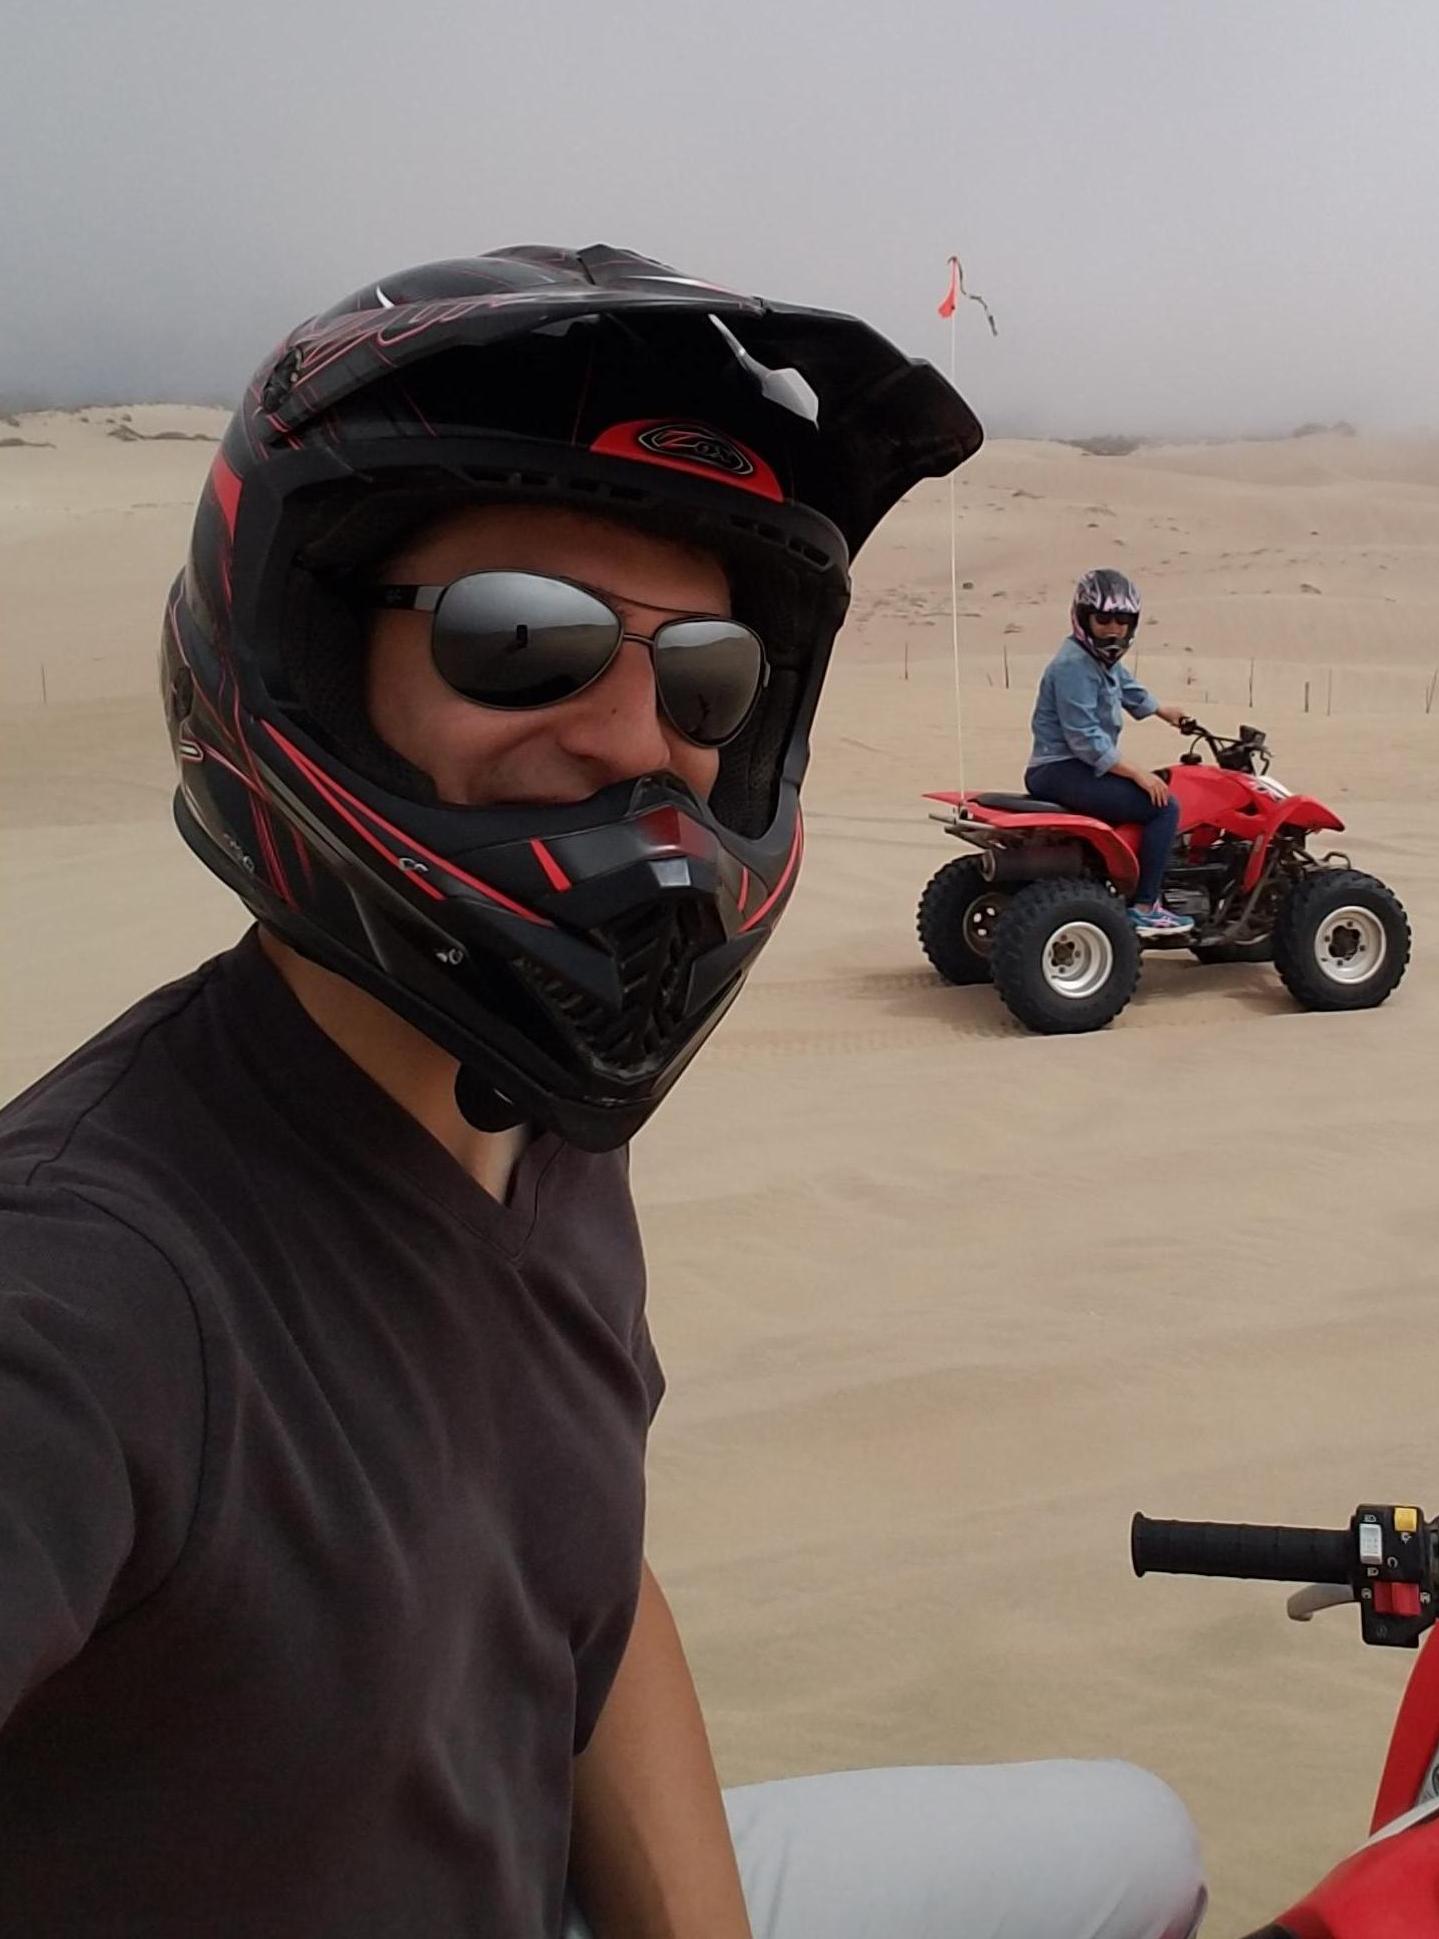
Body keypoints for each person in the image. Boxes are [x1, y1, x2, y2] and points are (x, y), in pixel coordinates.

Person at [0, 246, 1207, 1939]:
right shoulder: (89, 1278)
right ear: (307, 657)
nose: (639, 735)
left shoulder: (543, 1121)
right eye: (522, 635)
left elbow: (582, 1577)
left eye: (706, 669)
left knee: (1142, 1839)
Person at [1024, 570, 1194, 936]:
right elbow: (1084, 738)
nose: (1113, 629)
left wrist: (1163, 711)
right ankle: (1147, 905)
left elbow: (1126, 687)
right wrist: (1136, 773)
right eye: (1103, 620)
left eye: (1122, 621)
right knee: (1164, 807)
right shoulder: (1073, 666)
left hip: (1068, 768)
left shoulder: (1098, 660)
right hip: (1062, 768)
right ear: (1083, 618)